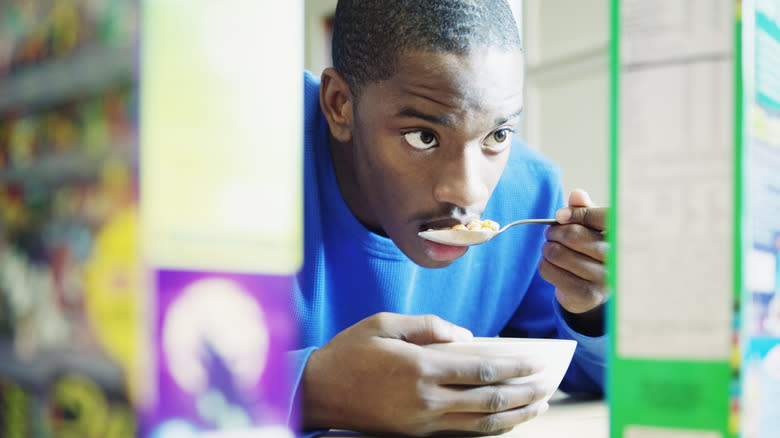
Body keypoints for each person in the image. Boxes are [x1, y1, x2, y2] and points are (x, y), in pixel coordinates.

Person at [287, 0, 609, 436]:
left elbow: (584, 377)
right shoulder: (230, 152)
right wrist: (315, 390)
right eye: (424, 137)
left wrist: (590, 308)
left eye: (497, 135)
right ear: (340, 104)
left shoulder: (530, 193)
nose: (468, 191)